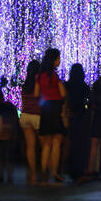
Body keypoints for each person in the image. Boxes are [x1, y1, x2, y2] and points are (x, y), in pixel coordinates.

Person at [36, 48, 66, 184]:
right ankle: (54, 172)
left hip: (44, 110)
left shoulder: (39, 76)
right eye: (58, 58)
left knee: (46, 144)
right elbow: (63, 94)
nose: (59, 61)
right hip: (55, 109)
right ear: (53, 60)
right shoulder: (54, 76)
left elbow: (36, 94)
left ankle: (43, 173)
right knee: (56, 142)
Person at [65, 63, 91, 179]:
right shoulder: (84, 86)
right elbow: (89, 100)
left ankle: (70, 169)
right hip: (82, 116)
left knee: (71, 143)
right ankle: (80, 170)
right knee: (81, 145)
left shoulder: (67, 85)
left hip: (70, 116)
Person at [19, 60, 41, 184]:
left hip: (25, 115)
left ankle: (31, 173)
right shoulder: (39, 84)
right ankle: (42, 171)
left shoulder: (25, 85)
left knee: (30, 146)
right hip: (37, 116)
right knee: (44, 145)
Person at [0, 94, 18, 184]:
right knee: (9, 158)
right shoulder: (13, 118)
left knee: (0, 158)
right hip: (10, 139)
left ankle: (1, 176)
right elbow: (15, 129)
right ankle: (10, 176)